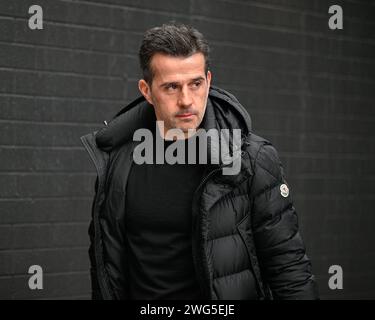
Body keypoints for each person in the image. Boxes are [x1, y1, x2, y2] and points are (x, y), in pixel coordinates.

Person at [80, 23, 319, 300]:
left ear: (208, 80)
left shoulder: (250, 159)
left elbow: (288, 266)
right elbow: (104, 270)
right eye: (171, 87)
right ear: (146, 90)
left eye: (195, 84)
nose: (186, 100)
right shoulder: (117, 163)